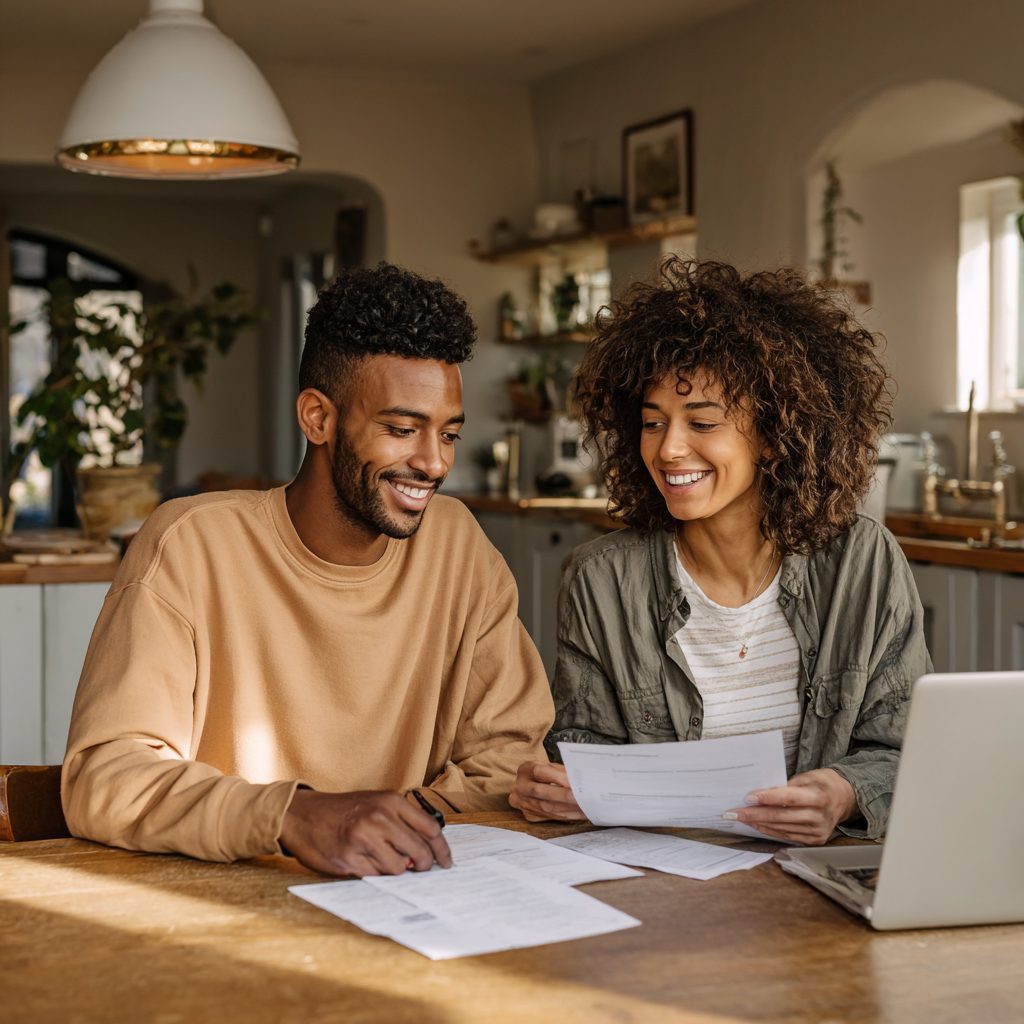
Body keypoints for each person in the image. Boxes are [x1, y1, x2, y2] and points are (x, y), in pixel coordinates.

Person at [63, 263, 554, 876]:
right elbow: (105, 777)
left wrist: (380, 826)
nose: (433, 463)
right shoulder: (190, 545)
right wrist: (292, 816)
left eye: (448, 435)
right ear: (318, 418)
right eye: (402, 429)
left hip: (405, 893)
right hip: (230, 898)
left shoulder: (459, 547)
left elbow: (510, 759)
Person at [511, 258, 929, 844]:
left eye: (702, 424)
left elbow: (907, 748)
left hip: (818, 870)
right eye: (653, 423)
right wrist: (564, 787)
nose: (668, 449)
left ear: (776, 435)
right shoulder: (602, 576)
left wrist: (842, 792)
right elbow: (583, 745)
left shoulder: (863, 560)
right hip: (664, 867)